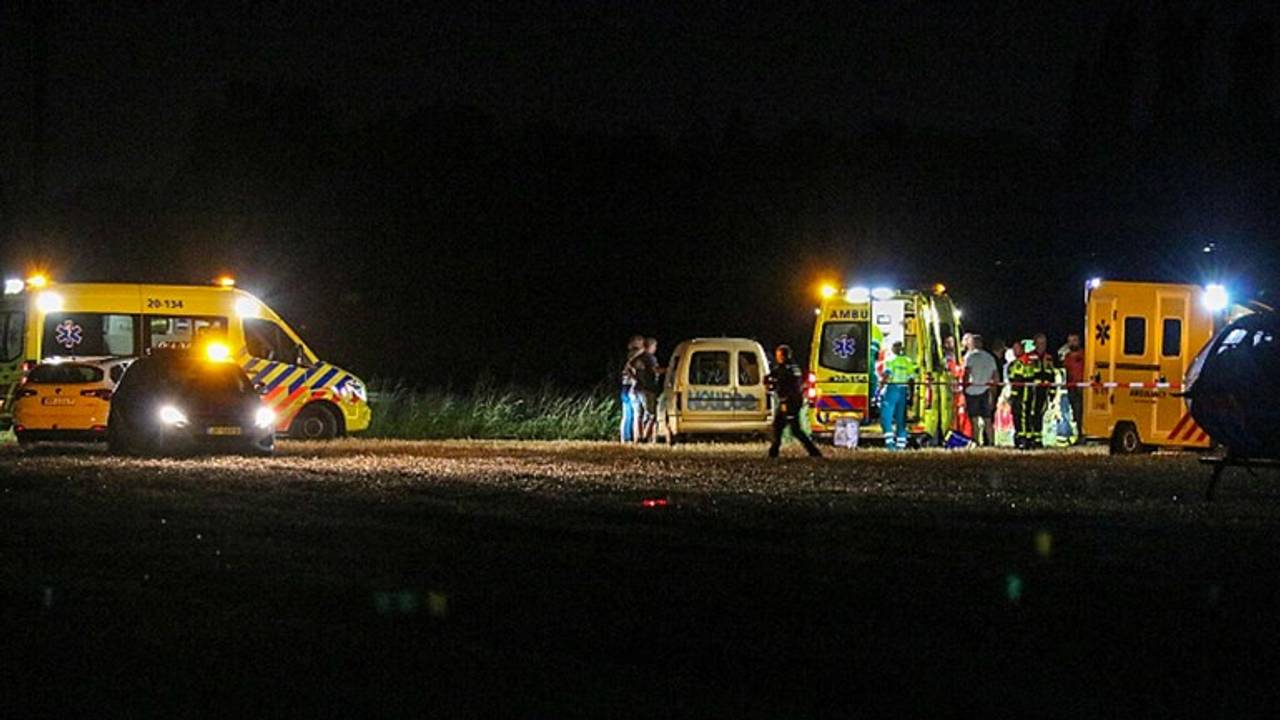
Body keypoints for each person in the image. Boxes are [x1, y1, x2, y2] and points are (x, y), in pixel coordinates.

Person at [765, 344, 823, 458]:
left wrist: (772, 385)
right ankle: (773, 452)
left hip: (789, 402)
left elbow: (784, 384)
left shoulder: (786, 369)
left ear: (783, 356)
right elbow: (775, 376)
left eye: (778, 355)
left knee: (794, 429)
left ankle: (814, 452)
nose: (777, 358)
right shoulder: (792, 367)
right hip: (791, 401)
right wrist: (769, 378)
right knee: (778, 426)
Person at [1009, 334, 1055, 449]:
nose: (1042, 346)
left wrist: (1052, 391)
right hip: (1030, 391)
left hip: (1043, 391)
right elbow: (1025, 374)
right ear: (1035, 344)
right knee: (1028, 414)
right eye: (1039, 343)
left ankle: (1038, 438)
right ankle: (1028, 438)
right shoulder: (1029, 358)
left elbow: (1052, 375)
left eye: (1044, 343)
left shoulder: (1048, 358)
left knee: (1039, 414)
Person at [880, 341, 919, 450]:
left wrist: (880, 388)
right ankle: (901, 444)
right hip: (903, 390)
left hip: (892, 389)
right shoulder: (908, 361)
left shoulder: (890, 360)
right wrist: (911, 394)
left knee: (886, 417)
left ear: (893, 348)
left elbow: (887, 375)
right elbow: (911, 379)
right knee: (901, 419)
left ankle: (890, 444)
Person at [962, 334, 998, 446]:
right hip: (985, 390)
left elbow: (966, 374)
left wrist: (964, 387)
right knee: (988, 420)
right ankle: (991, 442)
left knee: (974, 420)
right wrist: (993, 392)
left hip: (972, 391)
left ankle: (976, 442)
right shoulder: (990, 357)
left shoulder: (969, 357)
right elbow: (995, 376)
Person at [1058, 332, 1085, 444]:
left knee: (1082, 412)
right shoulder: (1067, 357)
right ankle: (1079, 434)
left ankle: (1084, 434)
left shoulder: (1085, 355)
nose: (1072, 343)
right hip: (1072, 388)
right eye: (1070, 341)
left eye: (1074, 340)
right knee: (1075, 413)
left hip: (1083, 388)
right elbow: (1066, 372)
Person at [635, 337, 662, 442]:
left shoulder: (639, 357)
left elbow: (629, 367)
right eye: (655, 346)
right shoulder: (651, 358)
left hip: (638, 388)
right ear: (651, 346)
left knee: (640, 415)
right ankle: (645, 437)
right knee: (652, 415)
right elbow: (655, 370)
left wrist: (636, 378)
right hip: (648, 389)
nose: (655, 348)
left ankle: (639, 436)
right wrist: (668, 370)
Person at [619, 335, 645, 443]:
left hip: (625, 387)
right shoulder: (634, 356)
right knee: (634, 414)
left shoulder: (629, 356)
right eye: (640, 342)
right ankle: (631, 437)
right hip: (630, 387)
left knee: (627, 414)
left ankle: (625, 437)